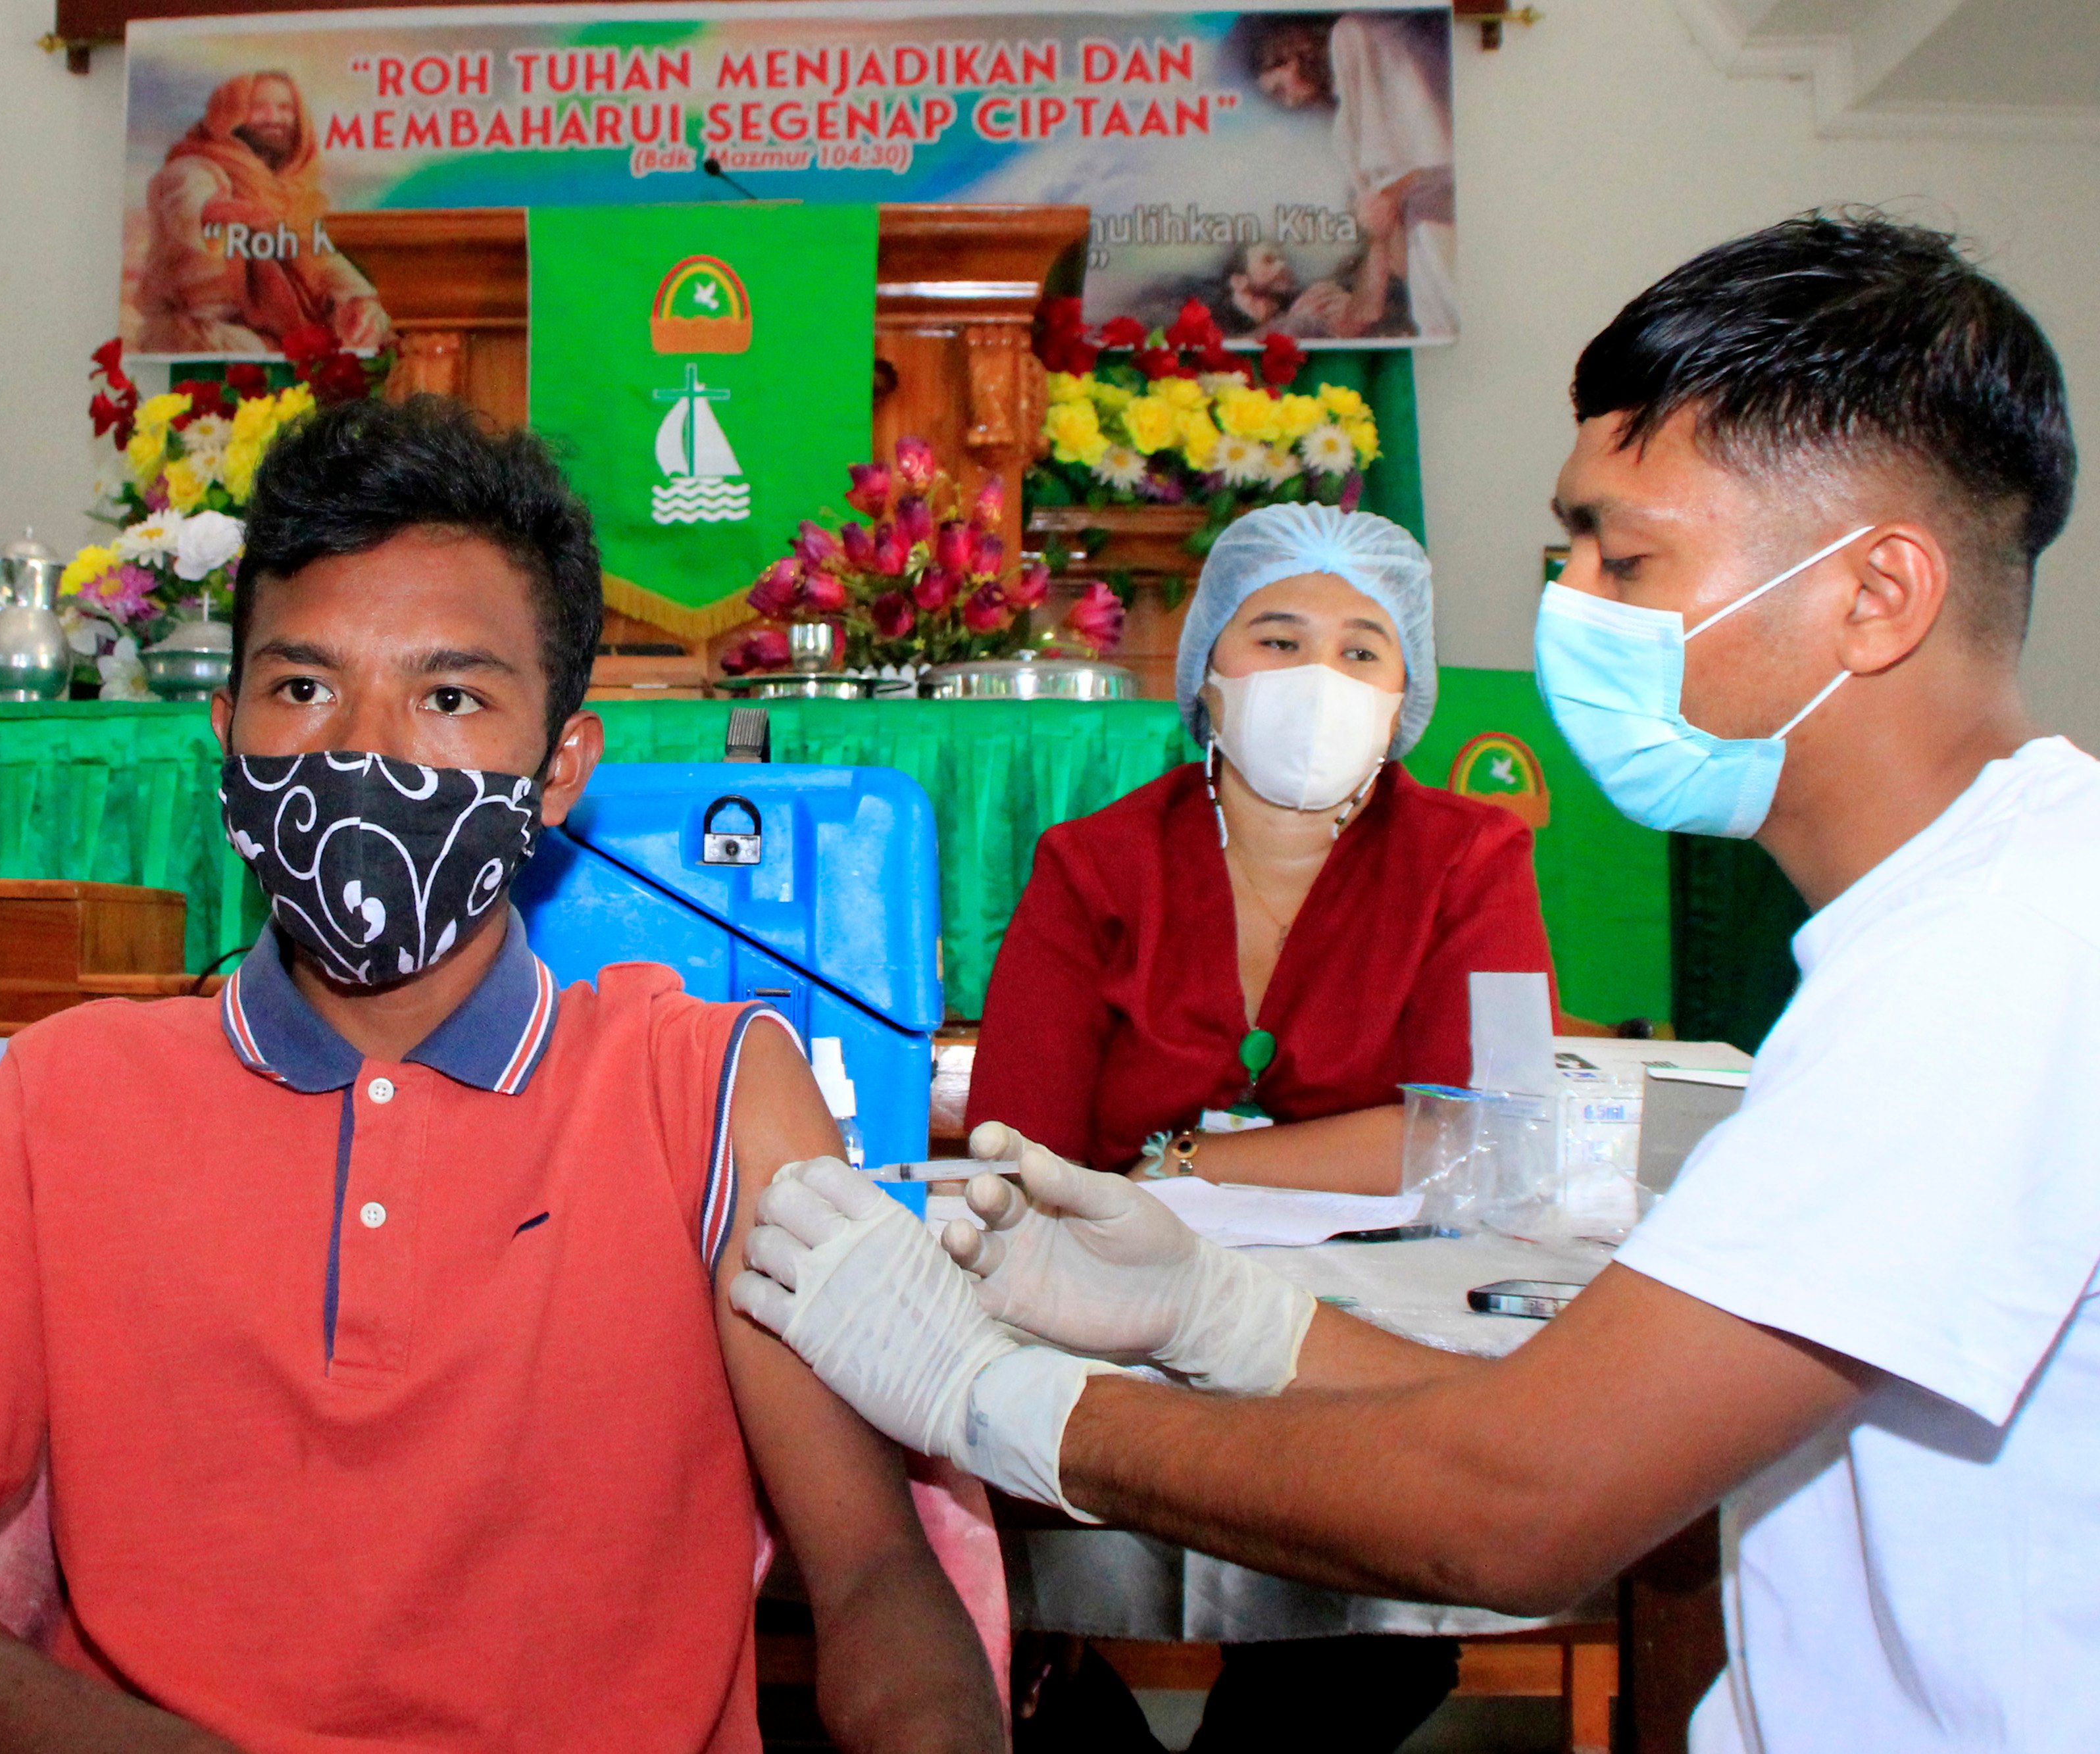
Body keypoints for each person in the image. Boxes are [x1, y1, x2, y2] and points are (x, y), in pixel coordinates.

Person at [730, 213, 2098, 1751]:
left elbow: (1513, 1503)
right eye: (1565, 551)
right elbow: (1584, 1415)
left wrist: (982, 1391)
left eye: (1625, 555)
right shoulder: (1959, 933)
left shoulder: (2007, 963)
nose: (1570, 605)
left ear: (1875, 593)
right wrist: (1225, 1311)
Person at [0, 397, 1005, 1754]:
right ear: (228, 737)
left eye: (448, 696)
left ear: (559, 765)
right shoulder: (73, 1091)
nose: (363, 751)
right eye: (303, 688)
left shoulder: (699, 1092)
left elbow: (872, 1575)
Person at [968, 503, 1553, 1197]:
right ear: (1204, 672)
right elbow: (1017, 1152)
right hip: (1123, 1279)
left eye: (1360, 652)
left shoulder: (1470, 858)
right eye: (1278, 642)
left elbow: (1485, 1134)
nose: (1318, 678)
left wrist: (1184, 1162)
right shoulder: (1095, 865)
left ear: (1404, 698)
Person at [135, 70, 392, 356]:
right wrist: (224, 213)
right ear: (227, 112)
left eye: (285, 109)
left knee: (373, 326)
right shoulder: (195, 167)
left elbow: (318, 258)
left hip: (268, 338)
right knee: (253, 351)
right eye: (258, 107)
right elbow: (189, 206)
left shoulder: (295, 193)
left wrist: (359, 300)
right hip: (194, 331)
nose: (274, 118)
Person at [1249, 13, 1455, 339]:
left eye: (1278, 89)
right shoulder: (1337, 129)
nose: (1286, 105)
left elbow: (1420, 164)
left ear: (1290, 58)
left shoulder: (1357, 37)